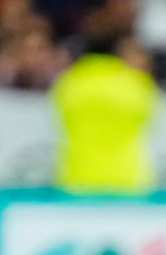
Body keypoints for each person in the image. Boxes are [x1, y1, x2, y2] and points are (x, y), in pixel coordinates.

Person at [54, 36, 158, 194]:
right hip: (128, 177)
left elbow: (60, 118)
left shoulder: (69, 82)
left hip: (77, 176)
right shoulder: (136, 84)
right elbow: (151, 119)